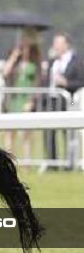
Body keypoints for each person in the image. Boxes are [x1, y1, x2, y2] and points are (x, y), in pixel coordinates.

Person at [42, 33, 84, 167]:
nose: (56, 47)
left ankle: (69, 162)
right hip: (52, 101)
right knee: (49, 132)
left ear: (67, 45)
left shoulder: (77, 62)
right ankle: (52, 162)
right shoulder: (51, 62)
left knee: (68, 134)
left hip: (69, 101)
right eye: (55, 43)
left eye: (59, 44)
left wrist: (66, 83)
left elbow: (80, 81)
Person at [1, 33, 41, 159]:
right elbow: (5, 73)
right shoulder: (14, 62)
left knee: (26, 133)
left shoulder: (35, 63)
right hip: (12, 100)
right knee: (9, 131)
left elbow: (38, 82)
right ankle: (9, 157)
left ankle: (27, 160)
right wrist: (14, 56)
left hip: (26, 99)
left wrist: (31, 100)